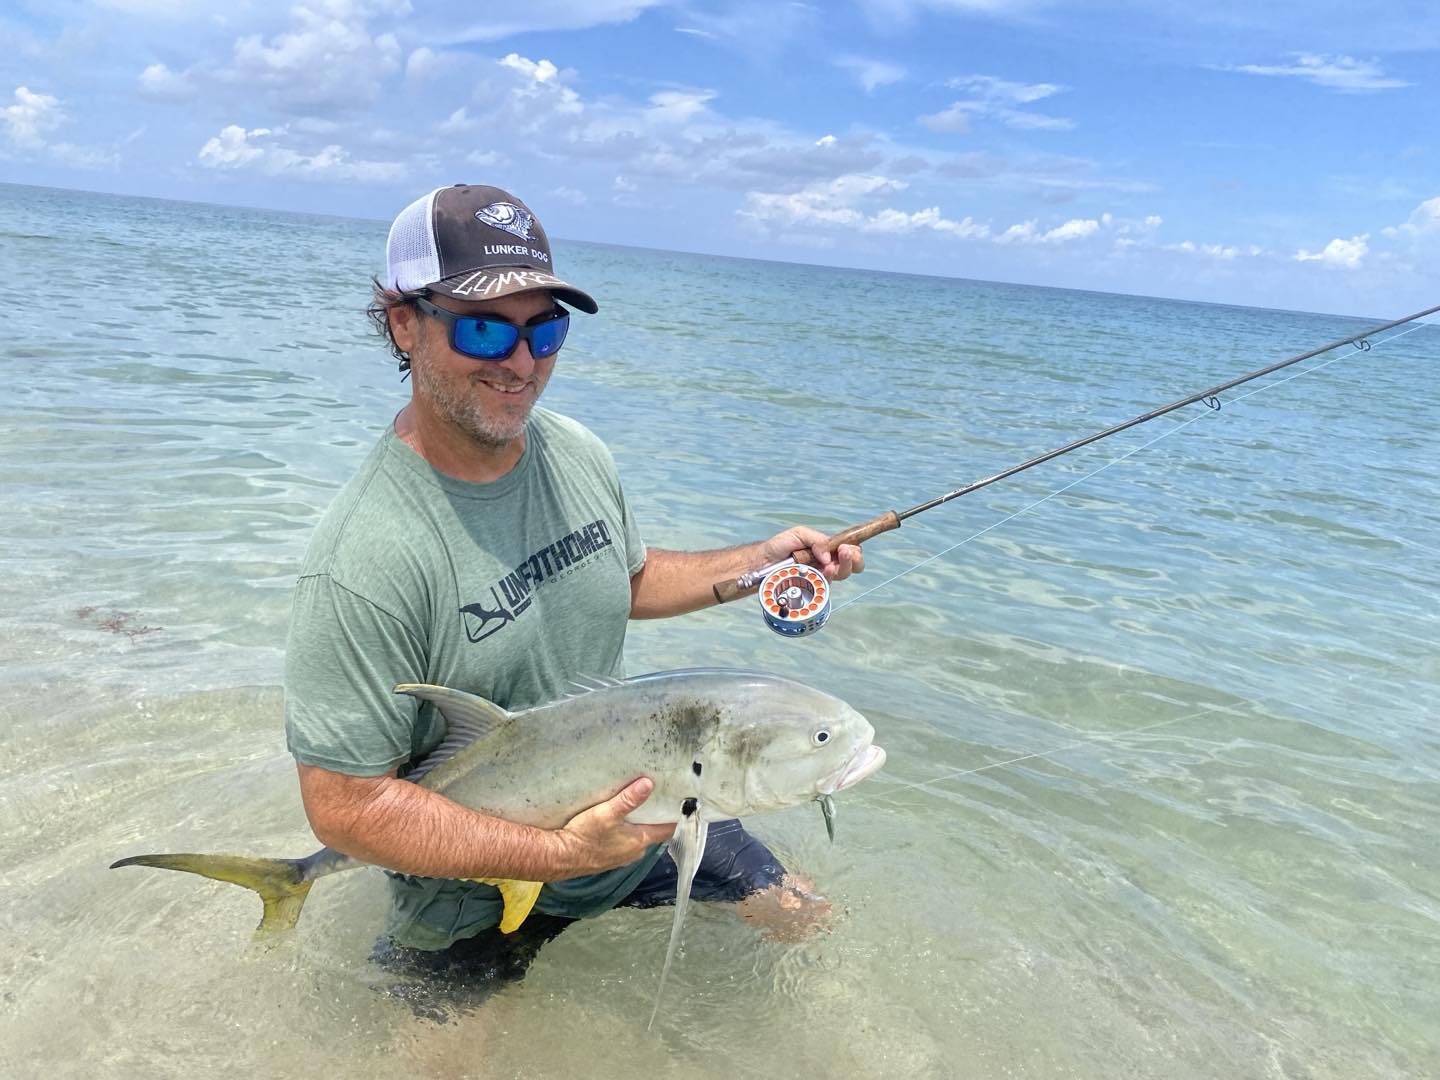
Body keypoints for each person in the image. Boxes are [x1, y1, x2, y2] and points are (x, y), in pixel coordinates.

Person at [282, 183, 864, 1012]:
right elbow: (343, 809)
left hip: (634, 815)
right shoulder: (364, 562)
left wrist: (757, 564)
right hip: (470, 881)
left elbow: (621, 580)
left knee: (808, 927)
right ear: (404, 324)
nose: (521, 364)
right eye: (484, 328)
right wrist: (553, 855)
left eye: (543, 328)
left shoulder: (574, 451)